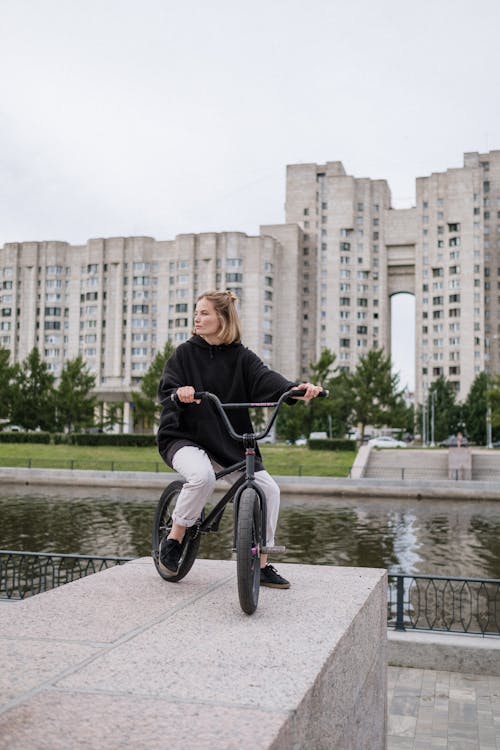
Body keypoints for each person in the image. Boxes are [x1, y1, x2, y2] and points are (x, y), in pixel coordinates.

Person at [156, 289, 323, 589]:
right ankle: (175, 537)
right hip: (183, 436)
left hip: (226, 441)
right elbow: (166, 389)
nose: (197, 317)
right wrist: (179, 392)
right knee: (202, 477)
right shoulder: (184, 353)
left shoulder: (241, 357)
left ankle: (262, 563)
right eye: (197, 311)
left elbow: (267, 380)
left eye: (204, 312)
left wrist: (296, 389)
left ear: (223, 318)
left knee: (269, 489)